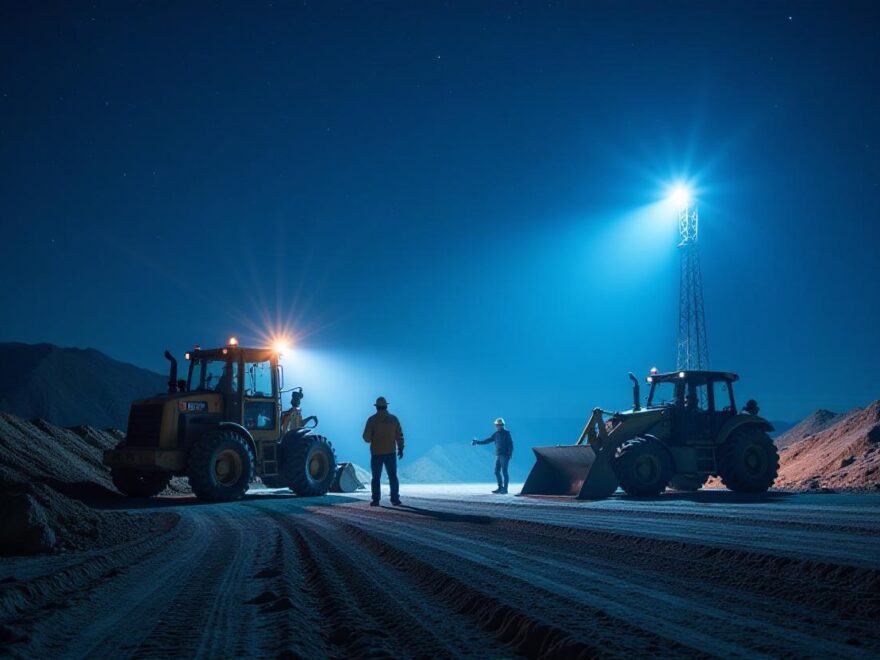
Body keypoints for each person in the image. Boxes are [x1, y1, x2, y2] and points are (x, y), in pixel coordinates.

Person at [362, 396, 404, 506]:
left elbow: (366, 438)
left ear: (376, 407)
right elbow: (399, 435)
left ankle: (376, 500)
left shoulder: (372, 420)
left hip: (376, 454)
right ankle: (395, 499)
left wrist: (374, 438)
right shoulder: (394, 419)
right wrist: (400, 448)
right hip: (390, 453)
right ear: (386, 406)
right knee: (392, 476)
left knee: (376, 478)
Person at [472, 417, 514, 494]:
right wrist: (477, 442)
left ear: (502, 425)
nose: (497, 426)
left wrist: (510, 454)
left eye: (499, 425)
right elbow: (487, 441)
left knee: (504, 472)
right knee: (496, 471)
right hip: (499, 455)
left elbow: (510, 444)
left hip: (505, 455)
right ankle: (500, 488)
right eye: (497, 425)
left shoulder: (506, 433)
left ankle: (505, 489)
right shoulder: (496, 434)